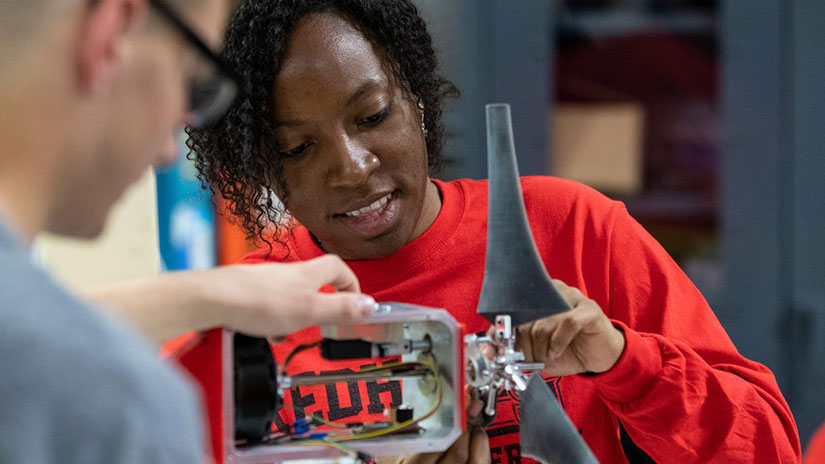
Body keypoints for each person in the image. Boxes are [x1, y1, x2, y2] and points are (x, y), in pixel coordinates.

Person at [187, 0, 801, 462]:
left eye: (373, 116)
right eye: (298, 148)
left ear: (417, 102)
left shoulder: (569, 230)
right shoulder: (248, 315)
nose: (352, 166)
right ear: (264, 168)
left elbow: (768, 448)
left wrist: (625, 362)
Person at [0, 0, 375, 462]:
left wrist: (212, 293)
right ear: (111, 34)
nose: (167, 152)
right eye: (194, 85)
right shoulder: (117, 413)